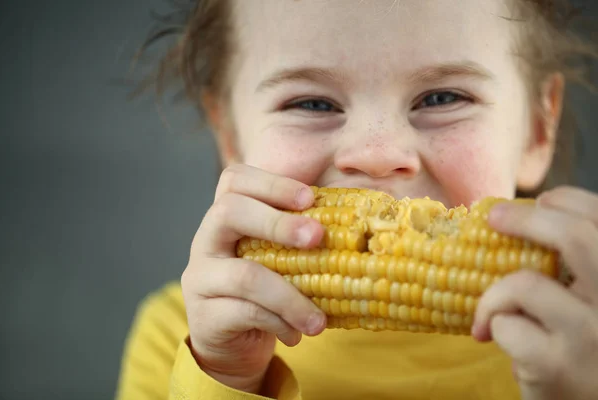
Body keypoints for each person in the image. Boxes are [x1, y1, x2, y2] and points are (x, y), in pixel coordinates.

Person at [115, 0, 598, 399]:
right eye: (312, 104)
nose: (377, 155)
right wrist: (227, 379)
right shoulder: (180, 340)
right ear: (232, 141)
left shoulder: (586, 337)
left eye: (441, 98)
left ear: (538, 127)